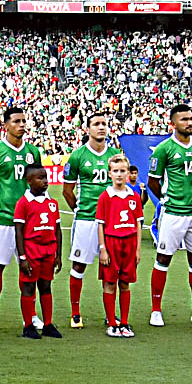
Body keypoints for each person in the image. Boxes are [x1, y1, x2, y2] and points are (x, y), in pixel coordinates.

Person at [0, 108, 43, 333]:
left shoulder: (33, 152)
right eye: (16, 121)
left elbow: (39, 183)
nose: (22, 125)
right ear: (6, 125)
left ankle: (31, 317)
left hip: (30, 220)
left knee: (30, 269)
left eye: (24, 121)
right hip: (4, 218)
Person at [144, 104, 192, 328]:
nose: (189, 122)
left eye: (191, 118)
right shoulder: (164, 149)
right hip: (173, 213)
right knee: (163, 258)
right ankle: (156, 310)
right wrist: (166, 199)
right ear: (173, 123)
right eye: (184, 119)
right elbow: (153, 180)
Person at [62, 113, 120, 330]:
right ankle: (75, 313)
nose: (101, 128)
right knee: (79, 265)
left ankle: (110, 315)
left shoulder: (115, 155)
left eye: (104, 124)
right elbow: (67, 190)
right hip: (86, 219)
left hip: (112, 221)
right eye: (96, 124)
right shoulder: (77, 156)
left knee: (111, 268)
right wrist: (79, 208)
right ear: (87, 129)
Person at [10, 161, 64, 339]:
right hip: (32, 250)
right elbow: (18, 231)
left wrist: (59, 255)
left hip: (49, 251)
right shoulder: (23, 203)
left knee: (46, 286)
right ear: (29, 181)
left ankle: (48, 324)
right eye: (40, 178)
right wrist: (22, 257)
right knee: (28, 287)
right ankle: (28, 326)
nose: (45, 181)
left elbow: (58, 229)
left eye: (46, 177)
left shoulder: (52, 203)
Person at [95, 155, 145, 336]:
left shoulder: (134, 196)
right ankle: (112, 322)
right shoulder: (105, 197)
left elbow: (138, 223)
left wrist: (138, 249)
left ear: (128, 173)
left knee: (125, 283)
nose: (119, 174)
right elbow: (100, 224)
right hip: (111, 243)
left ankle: (124, 322)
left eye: (123, 171)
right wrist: (103, 249)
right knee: (110, 282)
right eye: (115, 171)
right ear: (109, 174)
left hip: (129, 244)